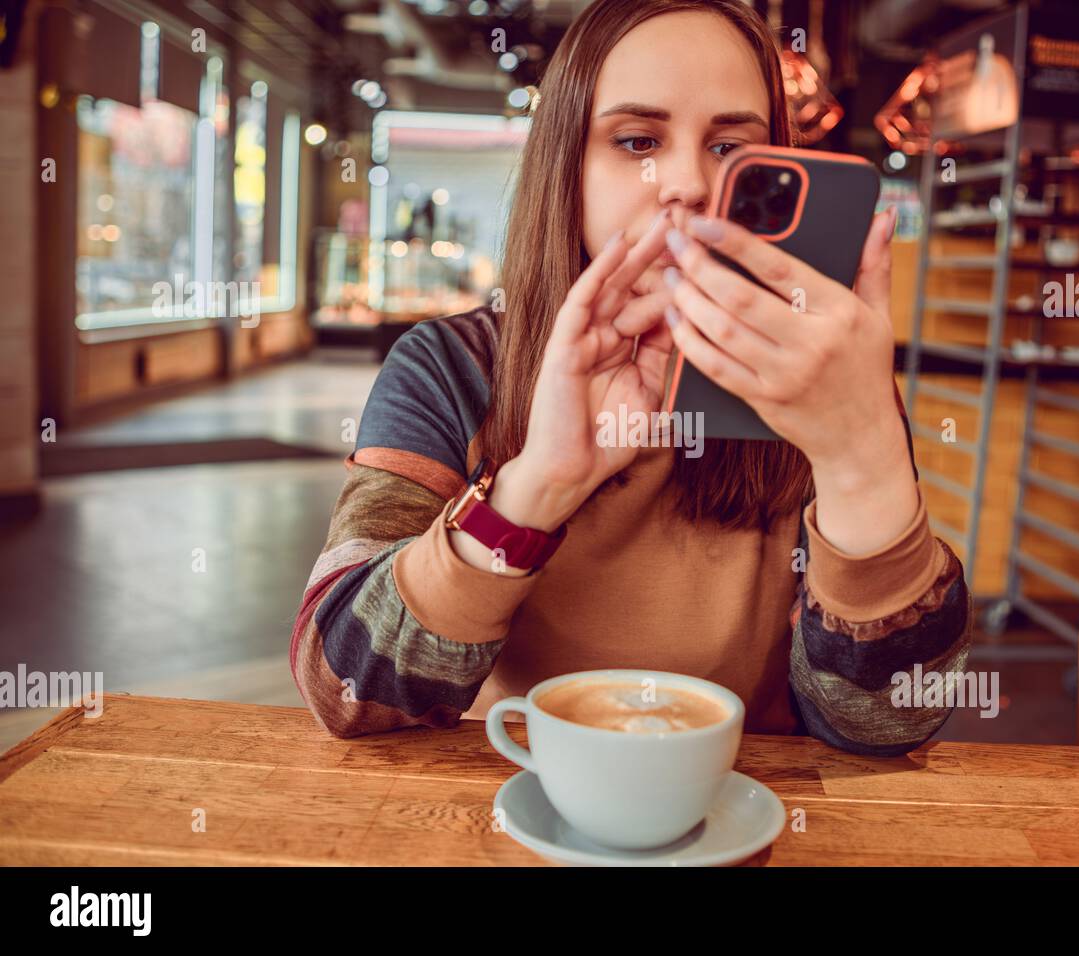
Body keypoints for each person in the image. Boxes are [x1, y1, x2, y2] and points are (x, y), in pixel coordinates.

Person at [291, 0, 971, 755]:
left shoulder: (822, 381)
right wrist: (538, 486)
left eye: (729, 148)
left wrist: (860, 456)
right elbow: (345, 689)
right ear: (567, 171)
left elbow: (888, 723)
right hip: (511, 805)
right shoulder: (448, 368)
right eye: (638, 140)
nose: (685, 183)